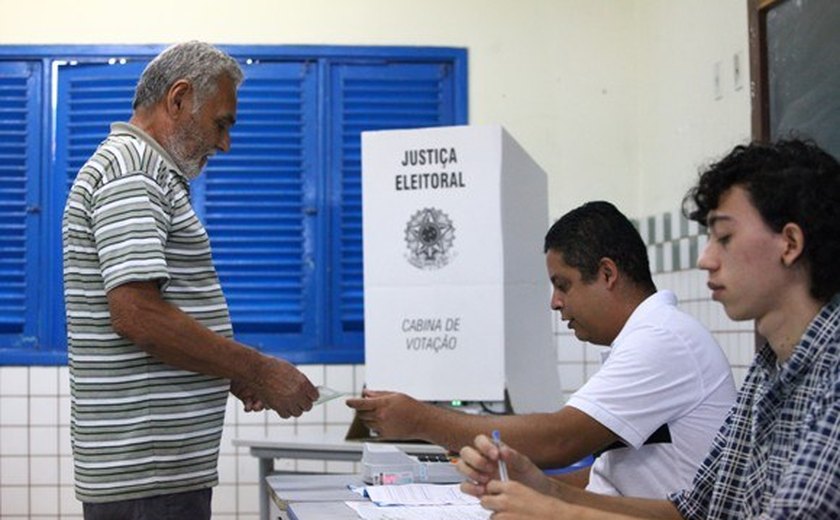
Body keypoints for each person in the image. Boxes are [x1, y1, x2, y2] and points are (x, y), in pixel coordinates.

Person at [459, 138, 840, 519]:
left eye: (724, 237)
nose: (705, 259)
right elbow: (693, 511)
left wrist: (561, 513)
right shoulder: (767, 371)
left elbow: (561, 439)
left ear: (789, 243)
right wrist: (546, 490)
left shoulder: (833, 374)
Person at [62, 41, 319, 519]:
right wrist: (256, 369)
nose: (224, 144)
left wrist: (227, 370)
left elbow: (154, 314)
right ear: (178, 99)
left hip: (156, 471)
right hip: (149, 475)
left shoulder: (143, 172)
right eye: (221, 123)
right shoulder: (133, 173)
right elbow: (139, 316)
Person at [347, 201, 736, 498]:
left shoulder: (663, 339)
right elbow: (616, 474)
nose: (554, 302)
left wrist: (420, 421)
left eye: (562, 285)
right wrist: (530, 486)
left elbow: (560, 440)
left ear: (607, 274)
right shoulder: (646, 338)